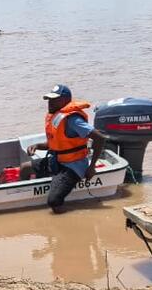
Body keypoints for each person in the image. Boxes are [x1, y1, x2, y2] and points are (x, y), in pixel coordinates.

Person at [20, 85, 108, 213]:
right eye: (49, 100)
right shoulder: (56, 116)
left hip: (73, 166)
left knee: (54, 201)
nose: (49, 103)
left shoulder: (73, 120)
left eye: (54, 100)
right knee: (24, 168)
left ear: (65, 100)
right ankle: (25, 200)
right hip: (57, 160)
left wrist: (92, 166)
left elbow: (100, 138)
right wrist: (38, 146)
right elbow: (57, 144)